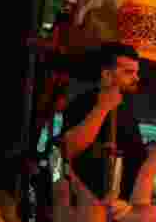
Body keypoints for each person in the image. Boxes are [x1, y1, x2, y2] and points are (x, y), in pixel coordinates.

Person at [61, 43, 147, 200]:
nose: (136, 78)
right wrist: (103, 108)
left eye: (136, 72)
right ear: (107, 74)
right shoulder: (82, 104)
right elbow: (68, 149)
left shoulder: (127, 110)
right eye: (129, 72)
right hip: (87, 204)